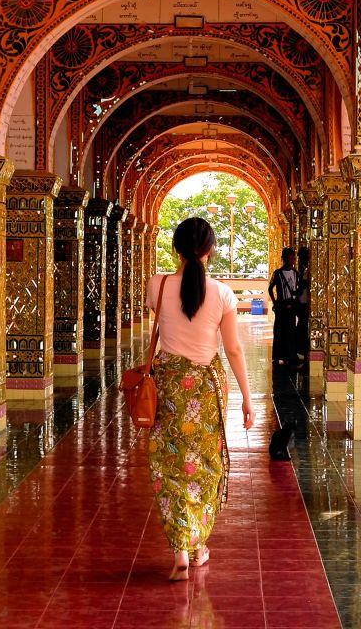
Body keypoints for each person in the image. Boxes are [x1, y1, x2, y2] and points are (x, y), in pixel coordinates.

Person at [146, 216, 255, 582]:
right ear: (210, 250)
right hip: (207, 390)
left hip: (168, 388)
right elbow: (234, 350)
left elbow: (163, 324)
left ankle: (179, 549)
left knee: (170, 464)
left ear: (175, 248)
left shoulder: (156, 286)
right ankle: (197, 544)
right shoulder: (223, 293)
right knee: (205, 466)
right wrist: (247, 397)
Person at [267, 247, 299, 367]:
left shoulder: (296, 273)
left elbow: (297, 288)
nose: (292, 261)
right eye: (290, 258)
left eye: (293, 258)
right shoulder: (278, 273)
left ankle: (289, 356)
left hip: (291, 305)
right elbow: (270, 288)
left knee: (290, 331)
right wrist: (275, 302)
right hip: (281, 305)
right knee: (279, 330)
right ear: (284, 259)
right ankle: (277, 356)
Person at [294, 246, 311, 363]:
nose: (299, 260)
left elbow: (304, 286)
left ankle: (304, 353)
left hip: (306, 303)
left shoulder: (307, 270)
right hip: (302, 302)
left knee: (303, 328)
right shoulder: (303, 270)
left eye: (301, 257)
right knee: (301, 327)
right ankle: (301, 353)